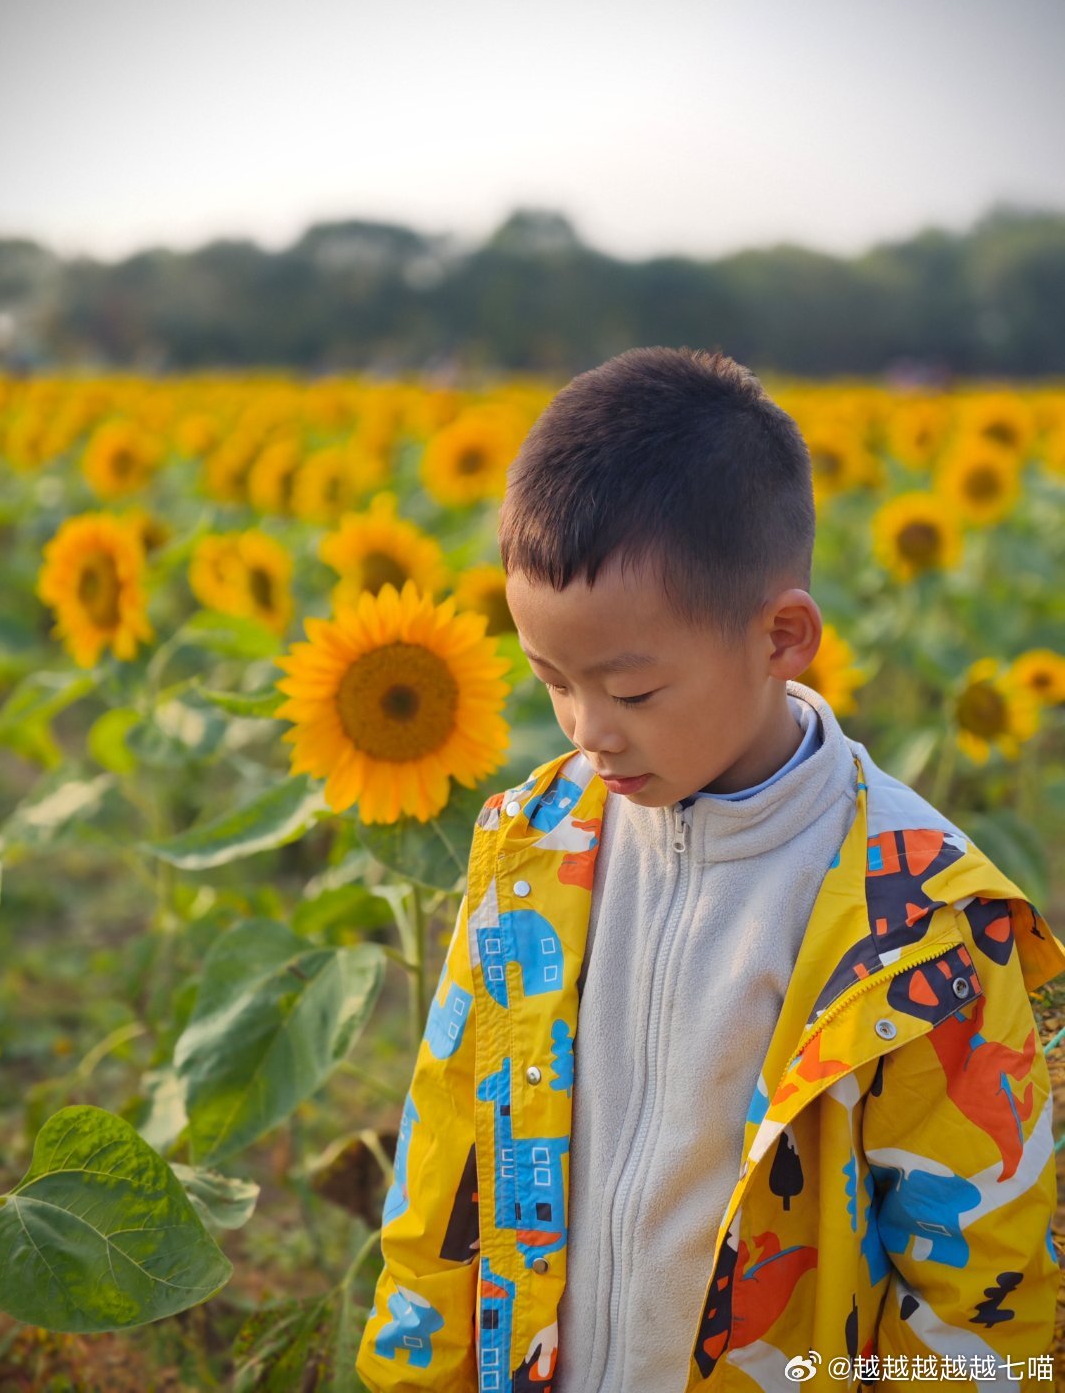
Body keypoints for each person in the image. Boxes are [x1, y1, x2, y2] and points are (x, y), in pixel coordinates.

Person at [355, 347, 1065, 1392]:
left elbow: (982, 1289)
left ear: (783, 637)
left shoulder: (925, 928)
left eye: (632, 692)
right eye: (553, 682)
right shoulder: (529, 847)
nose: (590, 731)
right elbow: (447, 1154)